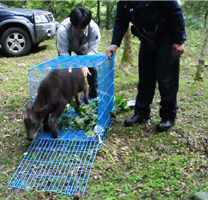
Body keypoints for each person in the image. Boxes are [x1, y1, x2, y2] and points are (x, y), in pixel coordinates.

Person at [106, 1, 186, 132]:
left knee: (167, 80)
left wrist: (179, 40)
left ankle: (168, 116)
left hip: (167, 38)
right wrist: (115, 44)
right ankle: (141, 113)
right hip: (146, 39)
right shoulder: (124, 3)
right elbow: (121, 20)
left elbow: (175, 12)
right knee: (145, 77)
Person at [56, 6, 101, 98]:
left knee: (92, 69)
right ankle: (66, 96)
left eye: (83, 27)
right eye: (76, 27)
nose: (79, 30)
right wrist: (75, 67)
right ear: (72, 23)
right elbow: (64, 54)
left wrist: (85, 64)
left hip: (82, 46)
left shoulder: (94, 28)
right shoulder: (62, 30)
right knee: (64, 71)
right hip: (67, 46)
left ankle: (93, 93)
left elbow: (93, 50)